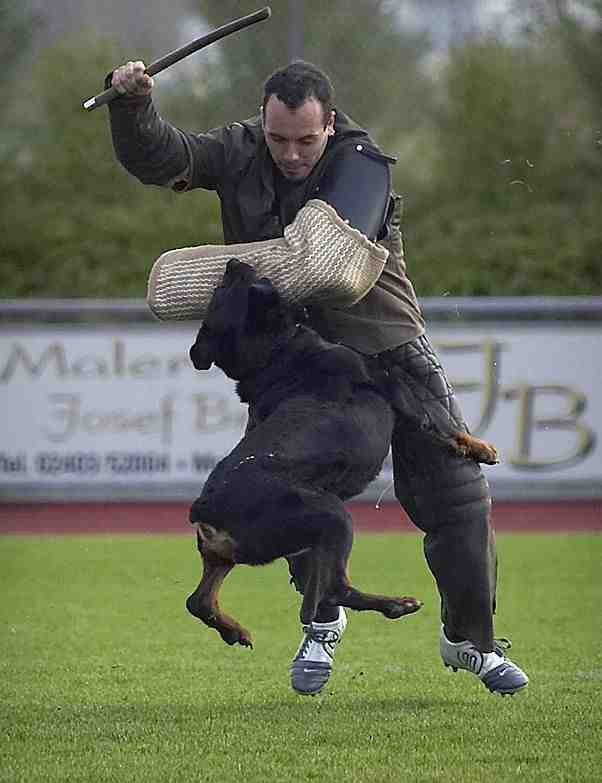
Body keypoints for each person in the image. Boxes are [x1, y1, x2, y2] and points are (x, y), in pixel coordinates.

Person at [107, 59, 529, 697]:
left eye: (306, 140)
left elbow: (323, 266)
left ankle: (471, 640)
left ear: (329, 123)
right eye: (278, 139)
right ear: (263, 121)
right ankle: (320, 621)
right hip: (298, 366)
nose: (292, 154)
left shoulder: (364, 165)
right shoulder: (240, 148)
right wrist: (132, 107)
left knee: (458, 501)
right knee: (292, 493)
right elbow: (164, 158)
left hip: (387, 347)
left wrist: (222, 277)